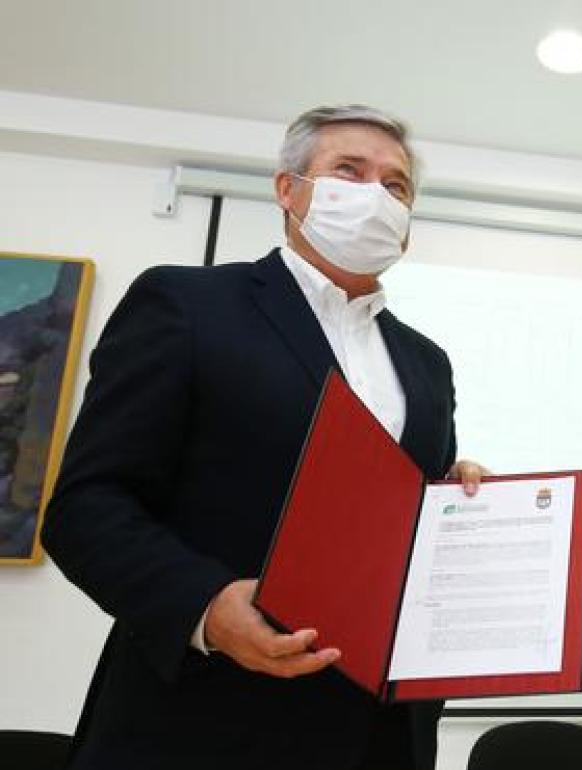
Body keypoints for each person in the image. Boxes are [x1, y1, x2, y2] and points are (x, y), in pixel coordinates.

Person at [42, 105, 484, 770]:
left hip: (382, 737)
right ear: (288, 188)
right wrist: (206, 606)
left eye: (395, 187)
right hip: (205, 724)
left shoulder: (426, 362)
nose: (375, 196)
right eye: (349, 171)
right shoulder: (188, 305)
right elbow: (86, 507)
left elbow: (403, 523)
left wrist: (454, 503)